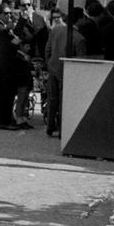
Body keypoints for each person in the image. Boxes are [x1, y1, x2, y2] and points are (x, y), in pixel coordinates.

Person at [44, 7, 86, 138]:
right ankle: (63, 130)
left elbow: (48, 49)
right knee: (64, 101)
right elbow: (81, 61)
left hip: (53, 68)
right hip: (68, 72)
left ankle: (50, 126)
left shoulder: (55, 30)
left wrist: (49, 63)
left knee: (52, 99)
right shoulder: (79, 38)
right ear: (80, 19)